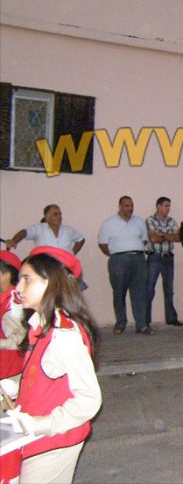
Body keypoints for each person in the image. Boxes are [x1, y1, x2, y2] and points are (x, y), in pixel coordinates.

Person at [8, 246, 101, 483]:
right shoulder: (41, 326)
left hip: (53, 441)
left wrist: (41, 424)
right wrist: (13, 388)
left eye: (27, 279)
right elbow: (43, 378)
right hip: (36, 438)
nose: (18, 288)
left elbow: (89, 399)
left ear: (51, 282)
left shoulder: (64, 335)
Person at [98, 196, 151, 335]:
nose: (130, 208)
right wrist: (117, 254)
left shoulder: (139, 222)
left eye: (131, 205)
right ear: (120, 206)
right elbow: (102, 244)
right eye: (127, 205)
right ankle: (120, 323)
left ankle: (141, 324)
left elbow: (144, 240)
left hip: (138, 259)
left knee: (140, 292)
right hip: (119, 260)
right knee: (119, 292)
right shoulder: (109, 223)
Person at [145, 197, 183, 327]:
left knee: (169, 289)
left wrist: (162, 235)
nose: (168, 208)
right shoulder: (150, 220)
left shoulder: (171, 221)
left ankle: (171, 318)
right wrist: (168, 236)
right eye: (166, 205)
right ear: (158, 206)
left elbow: (178, 238)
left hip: (168, 257)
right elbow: (153, 238)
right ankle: (145, 320)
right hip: (154, 257)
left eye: (169, 206)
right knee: (149, 289)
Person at [5, 204, 85, 255]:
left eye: (60, 214)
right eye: (55, 214)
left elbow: (81, 239)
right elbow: (24, 232)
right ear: (47, 217)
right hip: (43, 267)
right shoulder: (39, 228)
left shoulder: (68, 230)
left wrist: (72, 254)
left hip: (64, 268)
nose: (59, 217)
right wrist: (14, 241)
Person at [0, 250, 25, 380]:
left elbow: (21, 340)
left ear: (7, 275)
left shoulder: (13, 304)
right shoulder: (4, 300)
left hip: (9, 376)